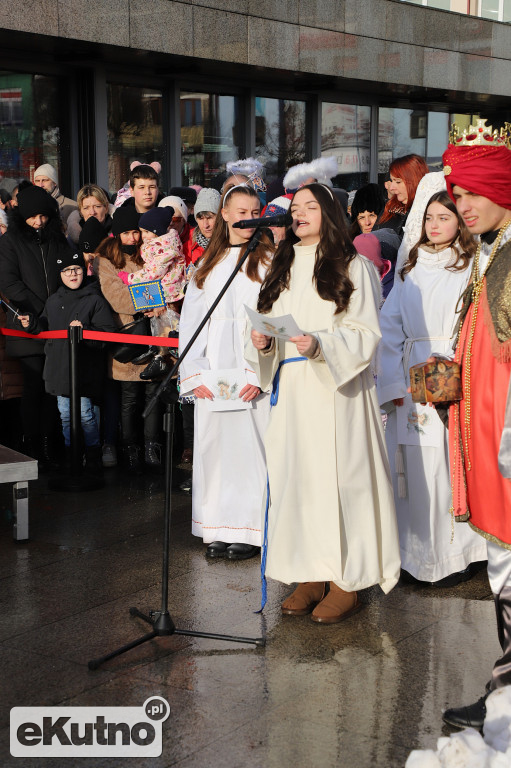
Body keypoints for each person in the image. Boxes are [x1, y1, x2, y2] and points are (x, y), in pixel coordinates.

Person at [248, 182, 400, 623]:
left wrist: (320, 345)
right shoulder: (283, 262)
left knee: (337, 482)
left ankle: (344, 581)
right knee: (300, 482)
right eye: (295, 207)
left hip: (338, 391)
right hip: (293, 392)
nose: (299, 214)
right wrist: (261, 342)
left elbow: (365, 333)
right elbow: (270, 324)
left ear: (330, 213)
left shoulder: (353, 265)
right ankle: (309, 573)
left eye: (310, 207)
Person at [435, 121, 511, 730]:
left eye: (470, 192)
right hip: (486, 444)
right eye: (456, 195)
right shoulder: (494, 253)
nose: (461, 205)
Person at [377, 191, 486, 587]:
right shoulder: (410, 268)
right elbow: (390, 328)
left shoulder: (473, 265)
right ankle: (411, 555)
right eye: (429, 218)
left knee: (447, 464)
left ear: (460, 221)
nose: (435, 225)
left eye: (444, 217)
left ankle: (454, 555)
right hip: (410, 376)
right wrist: (392, 381)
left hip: (455, 375)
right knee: (409, 467)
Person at [178, 183, 273, 560]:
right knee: (215, 451)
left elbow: (273, 320)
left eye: (255, 211)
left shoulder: (270, 261)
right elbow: (192, 322)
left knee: (250, 450)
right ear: (226, 215)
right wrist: (194, 376)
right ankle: (216, 526)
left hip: (251, 372)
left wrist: (259, 374)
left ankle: (250, 530)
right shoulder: (208, 263)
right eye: (240, 211)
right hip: (214, 371)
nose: (248, 218)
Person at [17, 250, 116, 475]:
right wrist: (31, 323)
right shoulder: (53, 300)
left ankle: (92, 455)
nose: (72, 274)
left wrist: (86, 332)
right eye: (67, 270)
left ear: (84, 271)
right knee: (64, 414)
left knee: (85, 415)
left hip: (84, 369)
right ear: (60, 274)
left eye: (77, 269)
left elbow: (107, 333)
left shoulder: (95, 300)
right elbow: (44, 324)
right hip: (60, 368)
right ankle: (72, 453)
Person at [0, 185, 70, 466]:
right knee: (33, 388)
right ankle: (32, 446)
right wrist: (38, 311)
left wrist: (57, 309)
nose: (39, 222)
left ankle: (49, 444)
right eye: (33, 217)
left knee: (53, 389)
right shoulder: (10, 242)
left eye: (43, 216)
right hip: (26, 325)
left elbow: (69, 273)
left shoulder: (57, 238)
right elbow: (9, 282)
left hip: (55, 326)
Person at [96, 207, 163, 474]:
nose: (133, 237)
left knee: (153, 394)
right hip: (127, 336)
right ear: (116, 233)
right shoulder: (105, 260)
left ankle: (151, 447)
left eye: (136, 231)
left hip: (153, 334)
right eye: (127, 232)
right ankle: (130, 447)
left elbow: (162, 281)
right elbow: (116, 296)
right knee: (128, 397)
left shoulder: (149, 252)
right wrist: (148, 299)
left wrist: (152, 297)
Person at [119, 206, 186, 380]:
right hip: (160, 288)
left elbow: (153, 272)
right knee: (158, 321)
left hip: (167, 290)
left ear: (157, 231)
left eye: (147, 232)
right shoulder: (159, 243)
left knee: (166, 321)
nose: (143, 236)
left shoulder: (165, 247)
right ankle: (157, 349)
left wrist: (131, 278)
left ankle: (164, 353)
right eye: (142, 231)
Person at [375, 154, 429, 238]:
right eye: (392, 181)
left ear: (414, 181)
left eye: (398, 182)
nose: (392, 188)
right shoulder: (390, 207)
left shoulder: (429, 211)